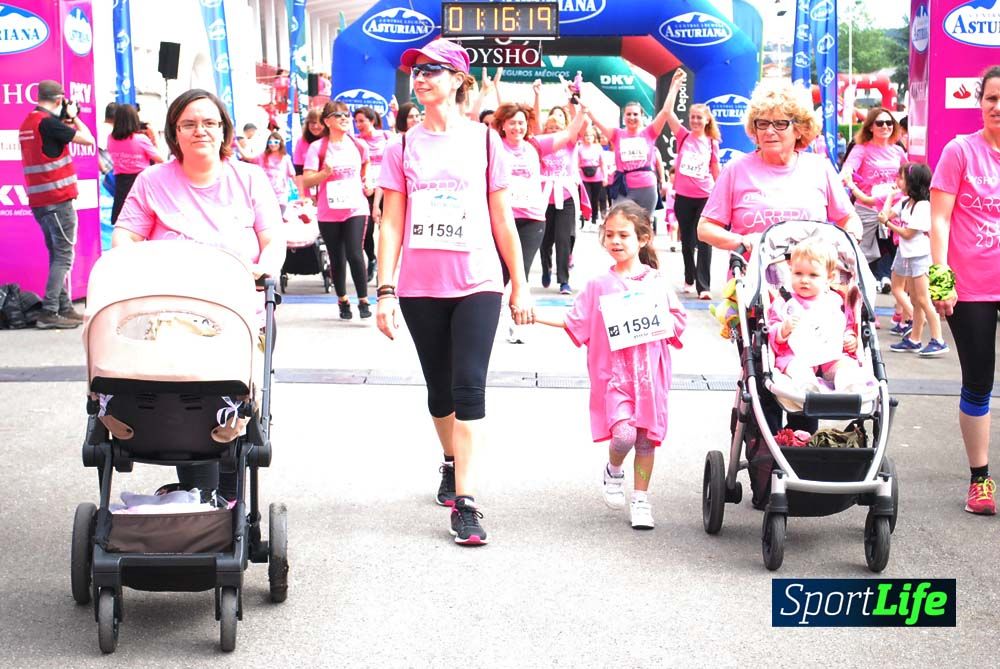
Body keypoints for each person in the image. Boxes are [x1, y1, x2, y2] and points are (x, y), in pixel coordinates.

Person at [376, 38, 531, 545]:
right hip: (420, 287)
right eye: (416, 70)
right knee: (439, 392)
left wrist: (520, 284)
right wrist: (384, 289)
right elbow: (391, 223)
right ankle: (450, 459)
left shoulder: (486, 142)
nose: (421, 78)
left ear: (459, 80)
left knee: (468, 388)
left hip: (478, 282)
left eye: (432, 70)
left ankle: (466, 503)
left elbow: (503, 218)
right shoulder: (401, 147)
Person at [112, 88, 284, 500]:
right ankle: (199, 496)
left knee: (226, 393)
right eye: (188, 123)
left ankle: (221, 495)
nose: (199, 131)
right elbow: (125, 236)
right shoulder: (152, 181)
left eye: (209, 122)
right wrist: (134, 264)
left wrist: (265, 266)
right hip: (168, 312)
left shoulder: (249, 178)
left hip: (237, 312)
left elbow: (272, 238)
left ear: (223, 129)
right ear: (174, 132)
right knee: (182, 393)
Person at [697, 78, 861, 506]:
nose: (770, 131)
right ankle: (767, 468)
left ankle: (806, 456)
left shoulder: (819, 169)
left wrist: (846, 245)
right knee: (764, 377)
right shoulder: (737, 171)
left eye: (781, 123)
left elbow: (848, 220)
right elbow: (705, 227)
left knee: (819, 369)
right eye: (762, 123)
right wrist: (741, 240)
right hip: (758, 296)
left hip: (817, 299)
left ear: (799, 128)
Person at [534, 202, 686, 529]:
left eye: (624, 235)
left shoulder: (657, 282)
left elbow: (678, 321)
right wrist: (534, 315)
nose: (615, 241)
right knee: (625, 435)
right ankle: (614, 470)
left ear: (643, 239)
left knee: (646, 441)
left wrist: (660, 320)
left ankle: (641, 498)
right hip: (615, 378)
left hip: (649, 377)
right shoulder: (598, 285)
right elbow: (575, 320)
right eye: (610, 234)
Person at [929, 65, 1000, 516]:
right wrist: (941, 278)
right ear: (980, 102)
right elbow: (938, 219)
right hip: (972, 288)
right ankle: (980, 480)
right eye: (992, 98)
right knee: (978, 381)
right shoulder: (960, 152)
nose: (998, 107)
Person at [492, 99, 586, 342]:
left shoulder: (535, 145)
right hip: (502, 219)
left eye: (521, 123)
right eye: (512, 123)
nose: (517, 128)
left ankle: (517, 323)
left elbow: (569, 133)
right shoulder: (494, 146)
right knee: (498, 273)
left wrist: (582, 111)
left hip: (532, 220)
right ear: (502, 125)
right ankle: (491, 317)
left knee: (520, 272)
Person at [18, 79, 95, 329]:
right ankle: (49, 311)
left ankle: (64, 306)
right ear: (60, 100)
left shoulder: (28, 123)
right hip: (58, 200)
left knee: (56, 255)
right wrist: (74, 117)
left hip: (40, 202)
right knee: (63, 256)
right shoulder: (49, 123)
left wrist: (65, 119)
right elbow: (88, 140)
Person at [767, 237, 870, 393]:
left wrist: (849, 337)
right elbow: (772, 329)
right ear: (790, 271)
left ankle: (850, 387)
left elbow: (845, 324)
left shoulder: (835, 301)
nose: (804, 280)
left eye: (813, 275)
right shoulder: (784, 302)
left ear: (829, 278)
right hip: (796, 354)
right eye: (798, 273)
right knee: (796, 367)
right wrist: (783, 329)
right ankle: (808, 388)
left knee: (846, 366)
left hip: (830, 354)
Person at [302, 101, 372, 320]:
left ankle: (363, 300)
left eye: (346, 115)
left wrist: (366, 180)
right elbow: (307, 180)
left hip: (355, 207)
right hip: (329, 210)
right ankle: (342, 300)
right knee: (337, 257)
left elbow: (366, 164)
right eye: (338, 115)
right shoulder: (318, 148)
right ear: (327, 121)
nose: (344, 118)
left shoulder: (359, 145)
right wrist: (324, 174)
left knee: (355, 253)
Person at [663, 70, 721, 300]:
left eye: (699, 117)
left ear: (707, 120)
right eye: (693, 117)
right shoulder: (683, 136)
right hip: (683, 198)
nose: (695, 121)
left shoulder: (712, 143)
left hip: (705, 197)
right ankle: (690, 276)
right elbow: (667, 113)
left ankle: (703, 286)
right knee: (686, 241)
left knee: (704, 240)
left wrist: (722, 195)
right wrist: (674, 87)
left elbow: (716, 170)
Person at [883, 163, 948, 357]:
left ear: (913, 182)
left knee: (923, 299)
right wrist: (890, 196)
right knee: (916, 300)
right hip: (909, 256)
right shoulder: (906, 202)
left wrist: (887, 224)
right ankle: (914, 339)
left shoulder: (923, 206)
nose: (898, 181)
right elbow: (885, 214)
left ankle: (938, 339)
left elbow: (907, 233)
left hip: (921, 257)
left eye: (902, 178)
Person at [840, 107, 906, 294]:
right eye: (880, 123)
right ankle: (863, 297)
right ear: (870, 127)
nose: (885, 126)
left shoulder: (898, 151)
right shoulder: (861, 149)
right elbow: (848, 169)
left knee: (897, 251)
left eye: (889, 123)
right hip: (867, 209)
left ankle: (891, 289)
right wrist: (846, 178)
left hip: (892, 209)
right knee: (860, 253)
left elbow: (908, 175)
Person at [587, 95, 673, 216]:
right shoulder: (617, 134)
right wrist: (585, 107)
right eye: (628, 114)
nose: (632, 117)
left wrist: (674, 87)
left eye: (635, 114)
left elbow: (665, 112)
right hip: (623, 188)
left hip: (646, 188)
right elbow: (597, 121)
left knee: (643, 224)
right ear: (624, 117)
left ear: (642, 116)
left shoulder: (649, 132)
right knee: (620, 220)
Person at [537, 107, 588, 294]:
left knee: (564, 238)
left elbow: (581, 126)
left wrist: (580, 110)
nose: (553, 131)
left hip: (566, 196)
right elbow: (534, 121)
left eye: (557, 128)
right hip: (545, 197)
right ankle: (546, 267)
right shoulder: (541, 145)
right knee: (545, 238)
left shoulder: (569, 143)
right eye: (550, 128)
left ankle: (564, 280)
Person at [107, 103, 163, 224]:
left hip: (121, 183)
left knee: (122, 220)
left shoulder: (110, 138)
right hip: (141, 182)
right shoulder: (141, 139)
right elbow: (161, 159)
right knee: (142, 220)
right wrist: (154, 137)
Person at [354, 106, 392, 281]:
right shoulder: (356, 141)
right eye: (356, 121)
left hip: (387, 188)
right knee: (366, 230)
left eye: (362, 121)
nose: (358, 125)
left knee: (387, 229)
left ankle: (386, 267)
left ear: (372, 121)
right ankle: (372, 258)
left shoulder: (386, 136)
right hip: (366, 190)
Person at [255, 131, 296, 216]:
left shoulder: (285, 158)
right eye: (270, 142)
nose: (273, 144)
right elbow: (248, 158)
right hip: (265, 195)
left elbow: (293, 175)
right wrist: (237, 144)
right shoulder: (262, 156)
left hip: (281, 196)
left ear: (280, 143)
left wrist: (302, 193)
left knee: (278, 217)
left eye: (276, 142)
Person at [578, 125, 606, 229]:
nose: (588, 137)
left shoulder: (598, 147)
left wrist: (605, 177)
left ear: (594, 137)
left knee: (595, 199)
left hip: (597, 176)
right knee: (586, 198)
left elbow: (603, 163)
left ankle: (594, 219)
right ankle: (586, 218)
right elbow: (576, 163)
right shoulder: (580, 148)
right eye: (586, 135)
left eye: (590, 135)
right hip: (584, 176)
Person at [292, 108, 324, 179]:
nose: (315, 126)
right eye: (313, 123)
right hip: (309, 183)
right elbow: (298, 171)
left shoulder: (331, 140)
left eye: (320, 123)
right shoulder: (301, 141)